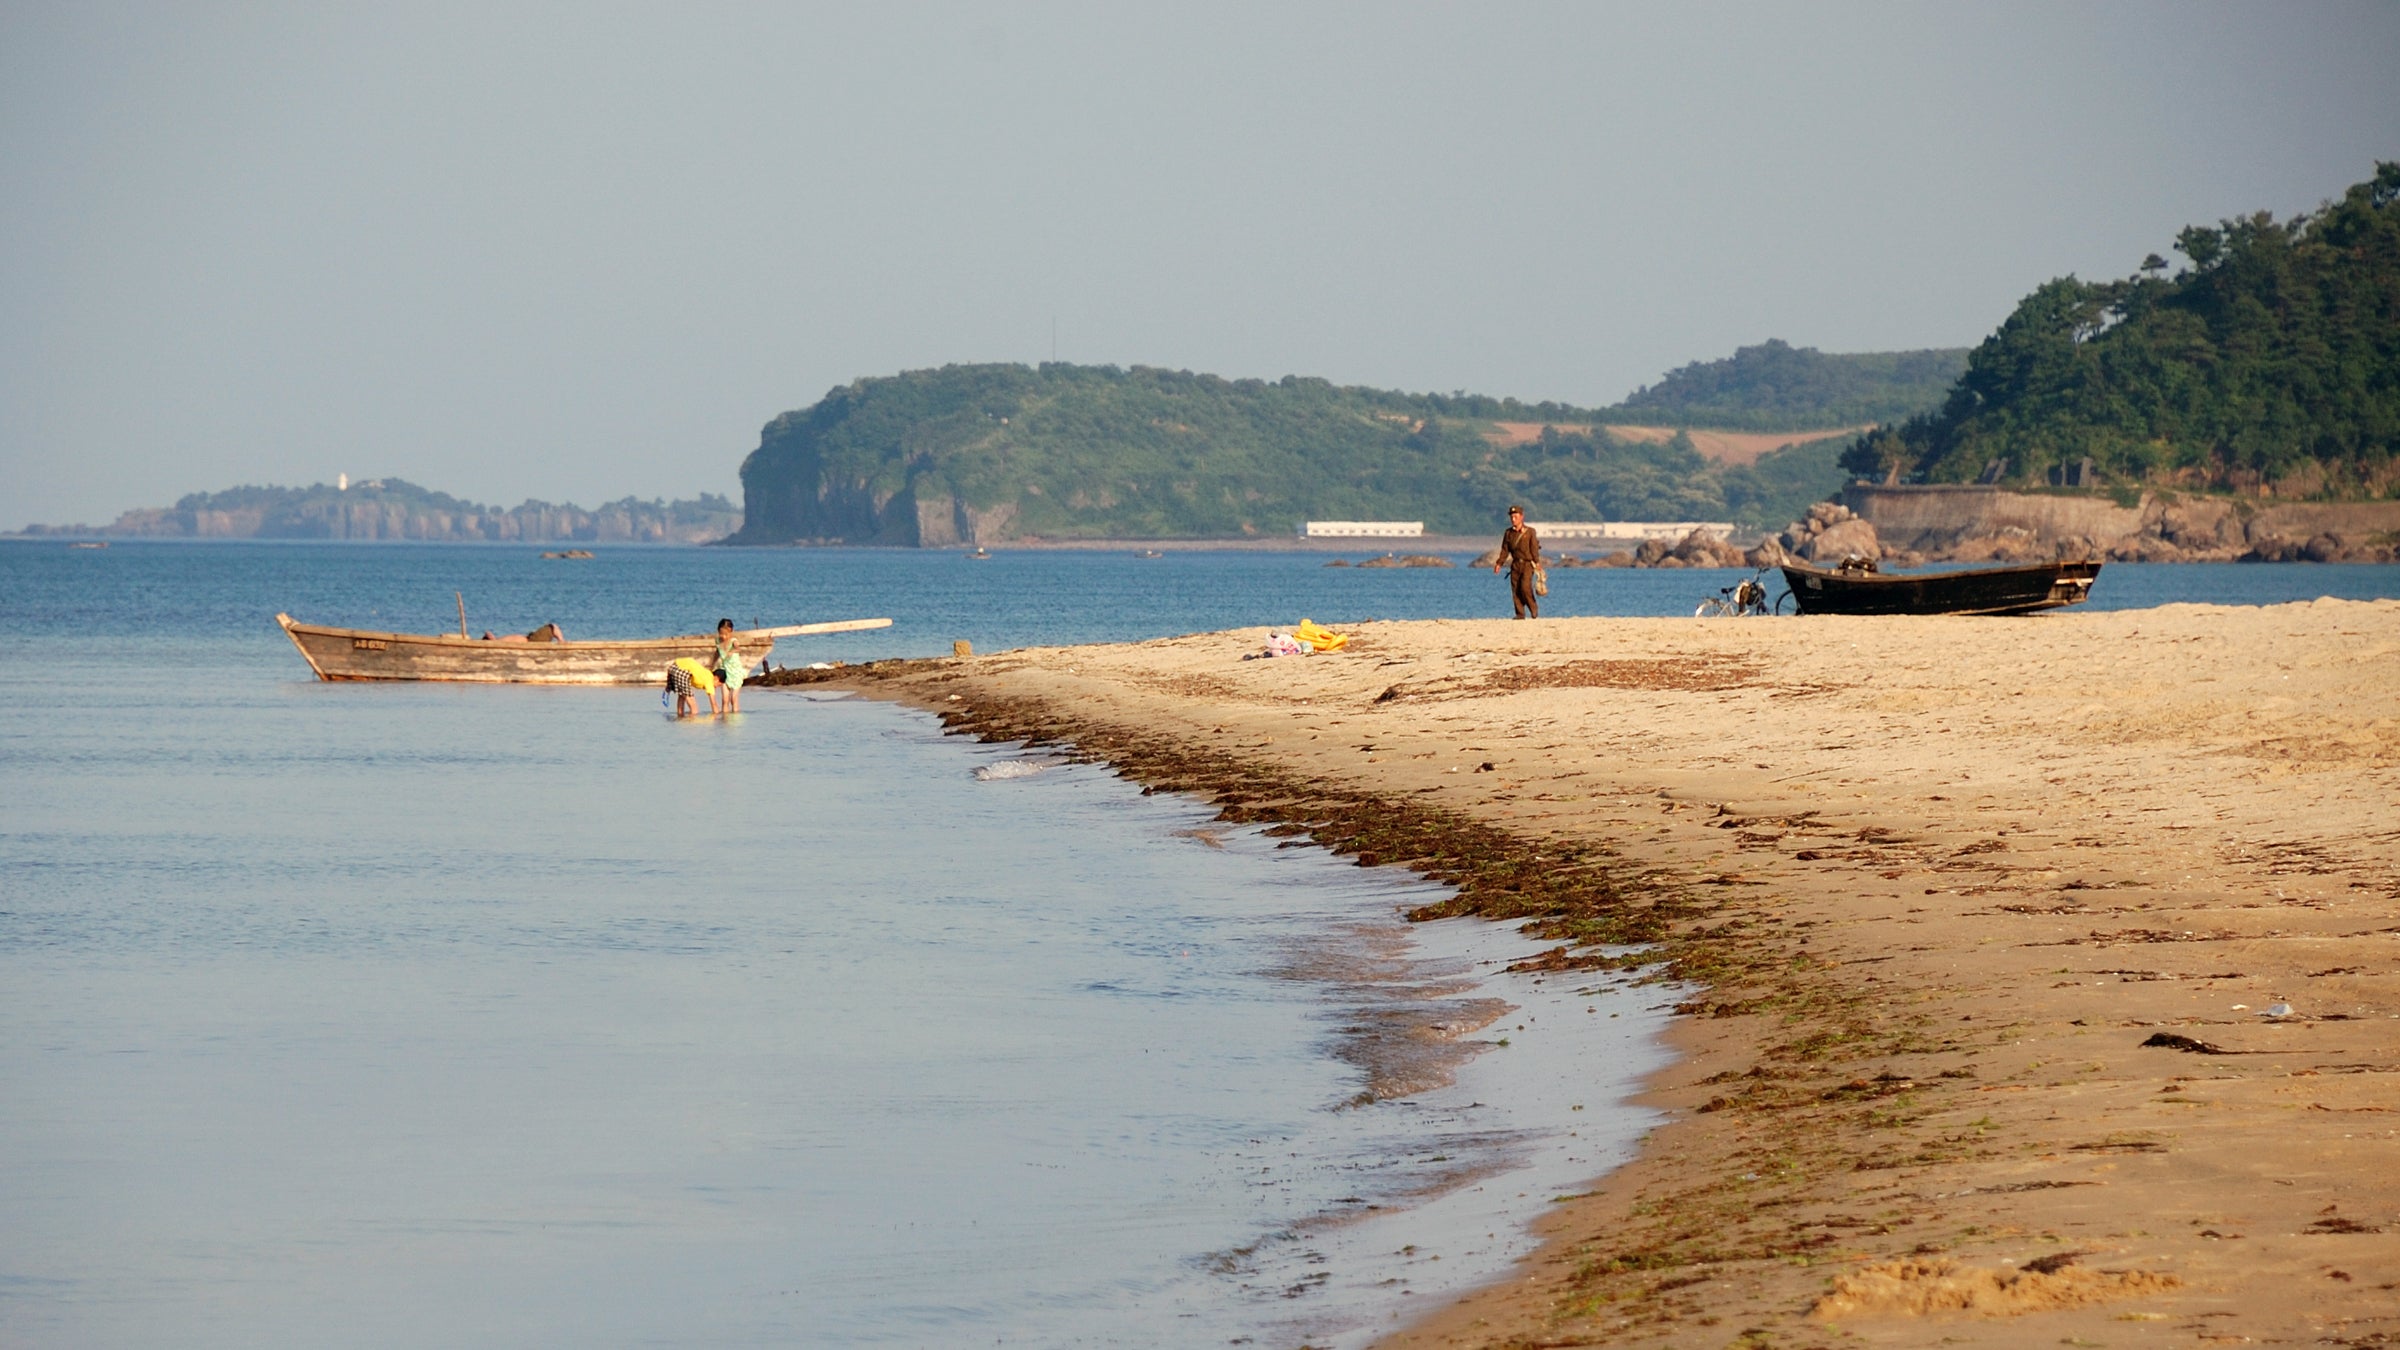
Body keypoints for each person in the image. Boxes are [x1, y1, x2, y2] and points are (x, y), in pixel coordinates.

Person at [1491, 504, 1543, 619]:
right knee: (1515, 590)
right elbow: (1505, 550)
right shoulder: (1508, 533)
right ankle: (1520, 613)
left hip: (1527, 564)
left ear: (1521, 517)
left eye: (1515, 516)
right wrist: (1499, 563)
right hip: (1515, 564)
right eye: (1511, 517)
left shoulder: (1530, 532)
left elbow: (1534, 548)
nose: (1513, 519)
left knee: (1525, 587)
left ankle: (1533, 609)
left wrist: (1537, 562)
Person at [711, 619, 747, 715]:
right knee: (725, 699)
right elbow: (717, 652)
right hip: (725, 671)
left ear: (731, 631)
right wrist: (712, 664)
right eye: (721, 634)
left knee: (733, 699)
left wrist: (732, 651)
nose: (723, 636)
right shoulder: (718, 641)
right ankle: (725, 720)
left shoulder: (733, 641)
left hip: (735, 672)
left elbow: (738, 648)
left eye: (726, 634)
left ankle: (735, 720)